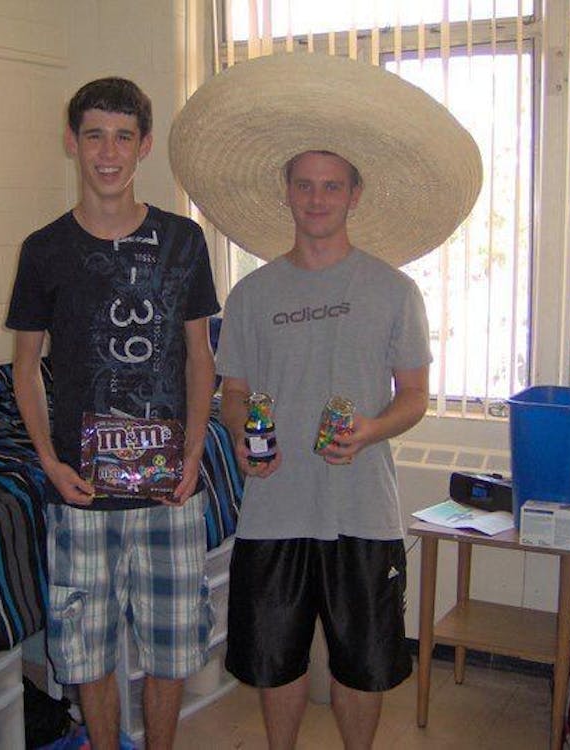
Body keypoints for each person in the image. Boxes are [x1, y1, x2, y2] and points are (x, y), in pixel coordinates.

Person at [168, 53, 482, 749]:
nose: (317, 199)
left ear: (354, 195)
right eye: (305, 185)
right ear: (286, 191)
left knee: (362, 665)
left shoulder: (394, 291)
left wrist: (370, 429)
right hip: (273, 510)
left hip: (362, 511)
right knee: (274, 661)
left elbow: (416, 396)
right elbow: (233, 391)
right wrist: (243, 431)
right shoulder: (252, 295)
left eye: (331, 186)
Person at [6, 77, 220, 750]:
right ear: (72, 142)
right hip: (81, 491)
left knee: (171, 649)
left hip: (168, 490)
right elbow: (24, 367)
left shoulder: (183, 240)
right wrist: (48, 460)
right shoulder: (43, 249)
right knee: (86, 652)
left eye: (123, 137)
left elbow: (200, 357)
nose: (108, 152)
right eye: (94, 135)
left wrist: (193, 453)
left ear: (144, 145)